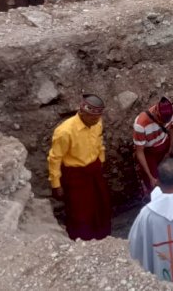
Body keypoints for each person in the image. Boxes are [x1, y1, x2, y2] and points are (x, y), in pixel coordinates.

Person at [47, 94, 111, 240]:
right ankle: (82, 241)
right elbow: (55, 159)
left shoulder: (97, 123)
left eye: (98, 118)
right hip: (76, 176)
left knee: (101, 205)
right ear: (82, 112)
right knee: (80, 212)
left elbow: (99, 143)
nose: (96, 121)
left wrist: (101, 161)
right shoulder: (64, 132)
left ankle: (104, 238)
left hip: (94, 171)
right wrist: (56, 184)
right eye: (93, 118)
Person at [133, 96, 173, 195]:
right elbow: (139, 152)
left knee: (168, 174)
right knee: (154, 184)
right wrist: (150, 176)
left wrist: (170, 148)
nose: (165, 124)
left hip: (165, 144)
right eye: (162, 122)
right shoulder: (141, 123)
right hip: (150, 153)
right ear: (156, 114)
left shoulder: (172, 111)